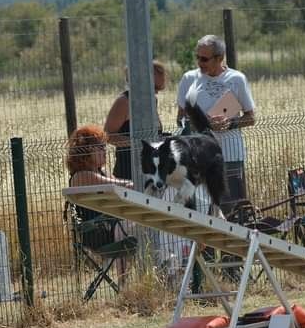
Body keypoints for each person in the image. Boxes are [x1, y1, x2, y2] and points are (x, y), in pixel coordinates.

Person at [175, 35, 256, 216]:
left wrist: (230, 123)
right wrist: (202, 125)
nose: (199, 62)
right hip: (199, 159)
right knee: (201, 214)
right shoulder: (188, 79)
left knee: (233, 212)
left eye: (204, 59)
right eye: (197, 57)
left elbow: (251, 117)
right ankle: (206, 246)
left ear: (220, 58)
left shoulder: (237, 79)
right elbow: (180, 119)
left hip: (230, 156)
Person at [65, 125, 134, 283]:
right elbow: (118, 186)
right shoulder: (82, 176)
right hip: (95, 232)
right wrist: (142, 184)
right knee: (133, 225)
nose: (105, 151)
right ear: (86, 151)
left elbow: (121, 185)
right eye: (100, 147)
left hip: (111, 224)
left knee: (140, 225)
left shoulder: (102, 172)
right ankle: (125, 285)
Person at [104, 60, 167, 180]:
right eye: (153, 88)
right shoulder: (124, 102)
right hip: (128, 173)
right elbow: (107, 135)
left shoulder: (152, 100)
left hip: (152, 173)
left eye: (157, 90)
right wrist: (138, 144)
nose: (155, 93)